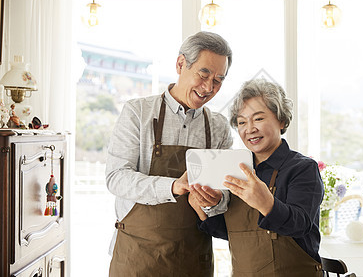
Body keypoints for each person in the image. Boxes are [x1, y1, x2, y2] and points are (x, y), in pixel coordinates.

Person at [106, 31, 233, 276]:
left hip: (194, 259)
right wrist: (173, 186)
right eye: (204, 74)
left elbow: (226, 196)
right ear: (180, 64)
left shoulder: (218, 127)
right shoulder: (138, 113)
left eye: (218, 80)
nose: (209, 87)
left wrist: (217, 200)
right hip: (137, 257)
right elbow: (116, 178)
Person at [189, 78, 324, 276]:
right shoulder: (236, 168)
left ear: (282, 120)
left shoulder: (302, 168)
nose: (249, 128)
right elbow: (234, 233)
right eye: (242, 122)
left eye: (258, 119)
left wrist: (267, 204)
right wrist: (201, 207)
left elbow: (301, 224)